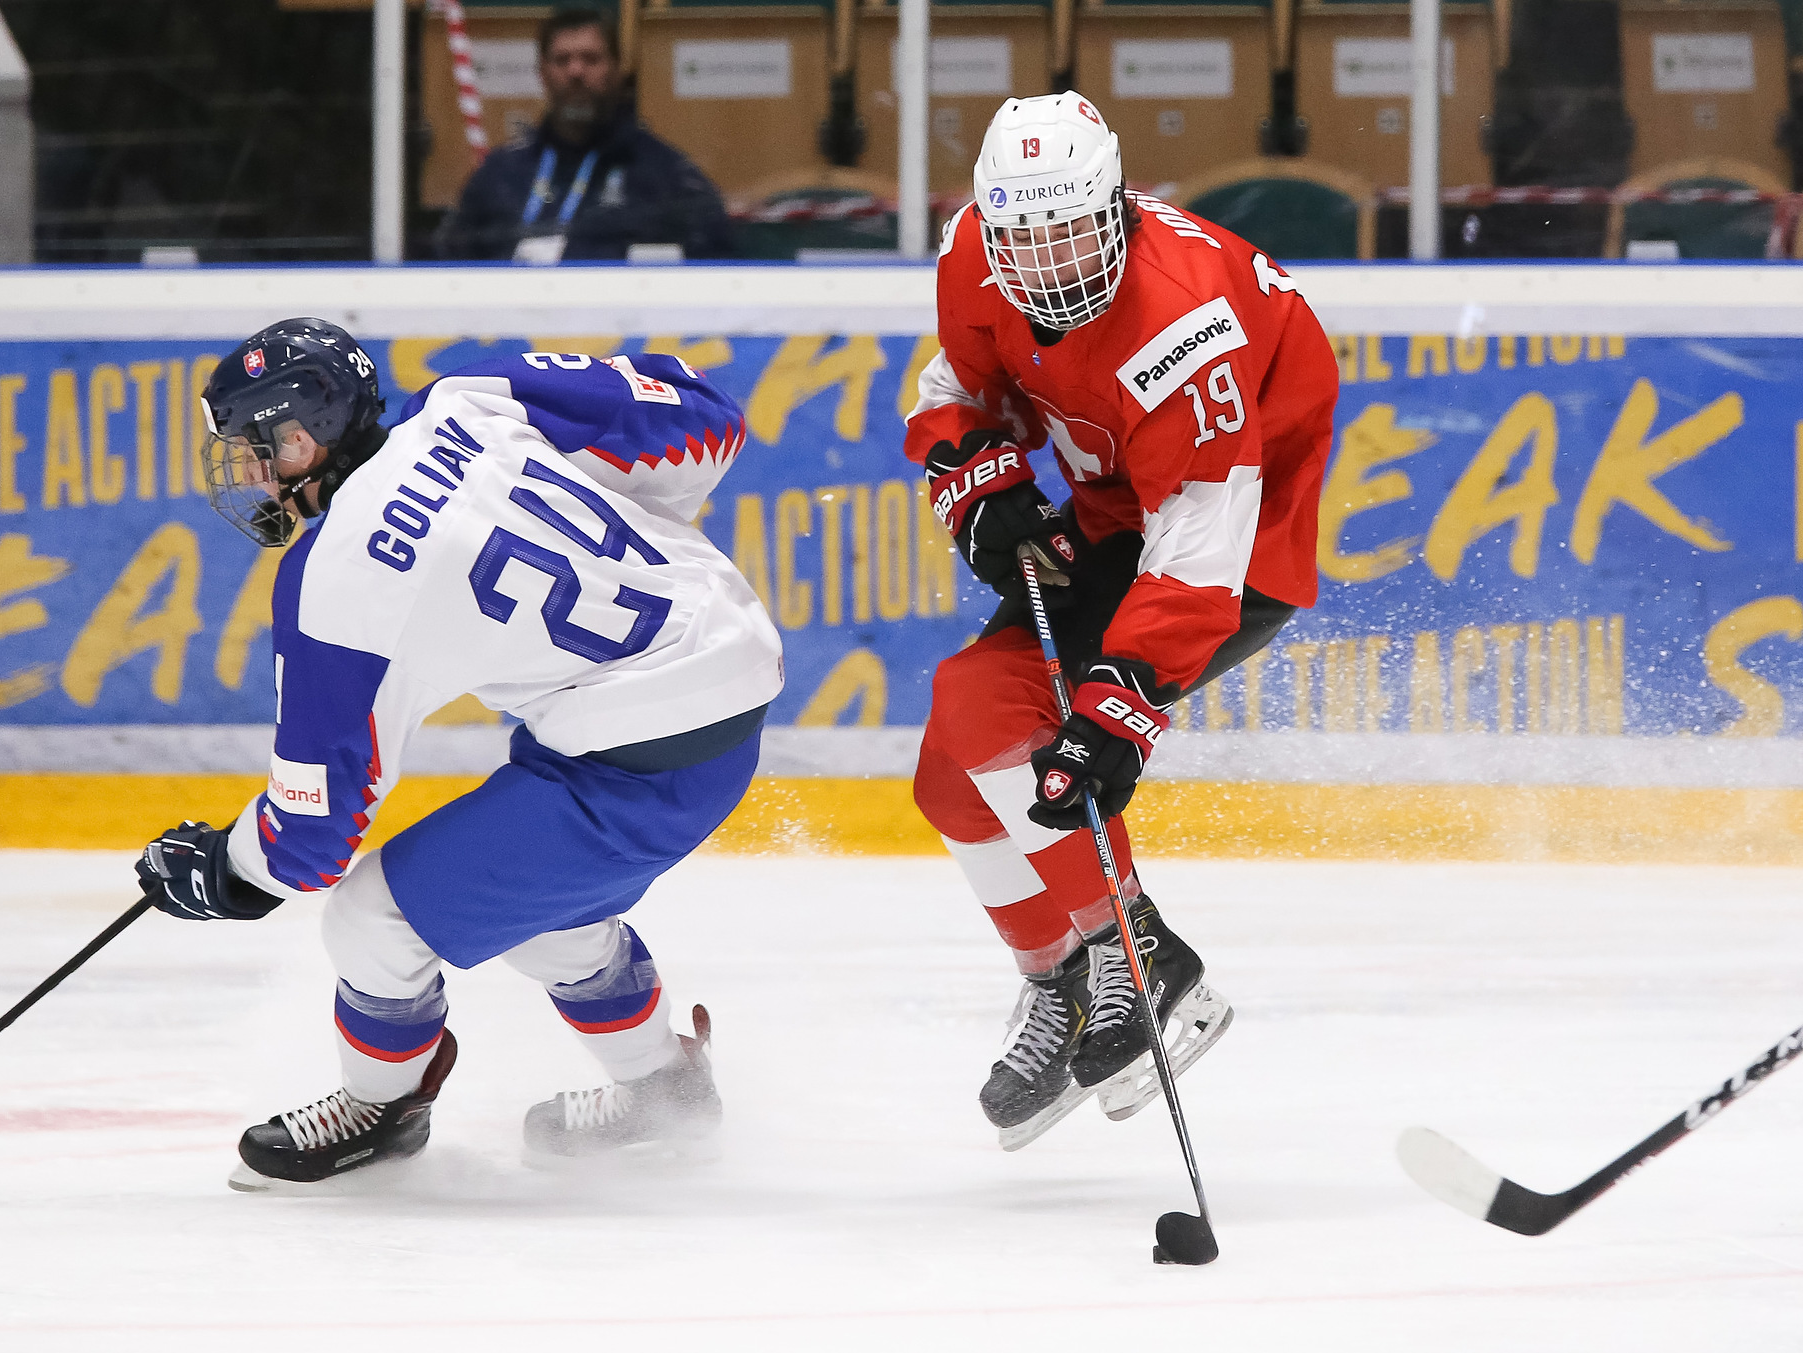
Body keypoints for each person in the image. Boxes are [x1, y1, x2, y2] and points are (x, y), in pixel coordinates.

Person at [135, 318, 782, 1187]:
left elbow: (312, 837)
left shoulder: (335, 578)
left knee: (374, 921)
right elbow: (704, 418)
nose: (249, 472)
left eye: (258, 447)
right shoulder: (470, 400)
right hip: (721, 678)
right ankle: (667, 1094)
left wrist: (226, 864)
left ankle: (381, 1109)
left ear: (305, 435)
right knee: (550, 915)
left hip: (638, 750)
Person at [906, 94, 1338, 1149]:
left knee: (987, 707)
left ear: (1120, 211)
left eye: (1069, 230)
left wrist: (1117, 709)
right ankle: (1058, 982)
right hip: (1115, 518)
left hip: (1229, 550)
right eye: (1023, 237)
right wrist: (977, 470)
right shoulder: (972, 251)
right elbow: (955, 385)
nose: (1046, 263)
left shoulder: (1186, 328)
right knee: (947, 776)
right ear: (987, 225)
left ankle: (1139, 958)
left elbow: (1199, 556)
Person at [434, 7, 731, 262]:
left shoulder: (666, 175)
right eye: (562, 60)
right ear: (543, 73)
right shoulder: (500, 175)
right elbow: (449, 271)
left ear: (616, 70)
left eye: (591, 59)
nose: (576, 71)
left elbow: (721, 276)